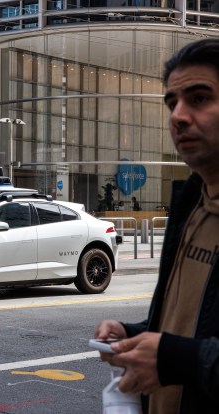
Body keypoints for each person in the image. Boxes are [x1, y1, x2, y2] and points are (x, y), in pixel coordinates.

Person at [94, 38, 219, 414]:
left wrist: (176, 359)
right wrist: (135, 335)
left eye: (198, 98)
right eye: (172, 102)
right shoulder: (190, 206)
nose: (178, 115)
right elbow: (193, 323)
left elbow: (189, 352)